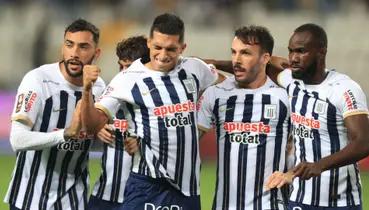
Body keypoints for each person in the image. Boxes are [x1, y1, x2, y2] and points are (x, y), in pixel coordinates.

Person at [81, 13, 225, 210]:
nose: (163, 55)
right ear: (149, 43)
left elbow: (224, 80)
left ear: (183, 48)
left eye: (171, 49)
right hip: (147, 185)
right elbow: (91, 125)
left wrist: (261, 66)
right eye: (157, 47)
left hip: (189, 189)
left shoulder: (194, 68)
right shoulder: (128, 79)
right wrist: (87, 89)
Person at [266, 23, 369, 210]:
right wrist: (212, 65)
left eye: (301, 51)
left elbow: (365, 142)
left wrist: (319, 165)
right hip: (300, 199)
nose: (293, 58)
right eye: (290, 51)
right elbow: (259, 65)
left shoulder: (344, 89)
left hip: (341, 202)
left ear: (321, 52)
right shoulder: (292, 81)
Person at [4, 19, 106, 210]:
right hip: (29, 199)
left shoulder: (99, 87)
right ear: (62, 47)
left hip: (73, 199)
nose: (74, 53)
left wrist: (108, 136)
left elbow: (95, 143)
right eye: (69, 45)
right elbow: (17, 139)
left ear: (96, 53)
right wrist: (65, 133)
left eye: (83, 47)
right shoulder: (38, 80)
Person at [198, 25, 291, 210]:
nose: (236, 60)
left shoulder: (285, 98)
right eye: (234, 52)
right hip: (224, 205)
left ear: (266, 58)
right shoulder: (215, 94)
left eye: (246, 53)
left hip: (270, 205)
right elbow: (186, 141)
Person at [88, 35, 149, 209]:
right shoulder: (109, 97)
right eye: (121, 66)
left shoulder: (156, 103)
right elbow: (85, 131)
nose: (124, 73)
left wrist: (144, 143)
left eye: (129, 67)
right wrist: (97, 128)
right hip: (104, 196)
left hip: (140, 198)